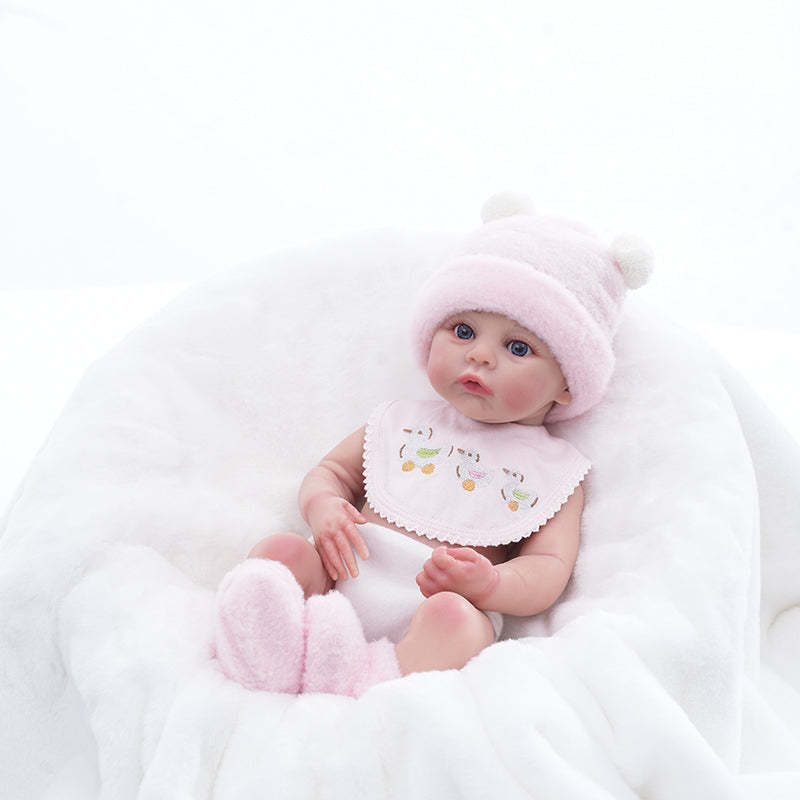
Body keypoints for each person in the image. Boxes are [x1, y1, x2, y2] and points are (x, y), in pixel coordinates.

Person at [213, 192, 653, 697]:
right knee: (281, 552)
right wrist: (323, 508)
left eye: (518, 347)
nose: (480, 356)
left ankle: (372, 686)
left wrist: (490, 585)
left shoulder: (556, 472)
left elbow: (547, 569)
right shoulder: (402, 421)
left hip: (435, 609)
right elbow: (330, 473)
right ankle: (273, 656)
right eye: (463, 331)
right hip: (340, 575)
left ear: (568, 382)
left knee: (456, 622)